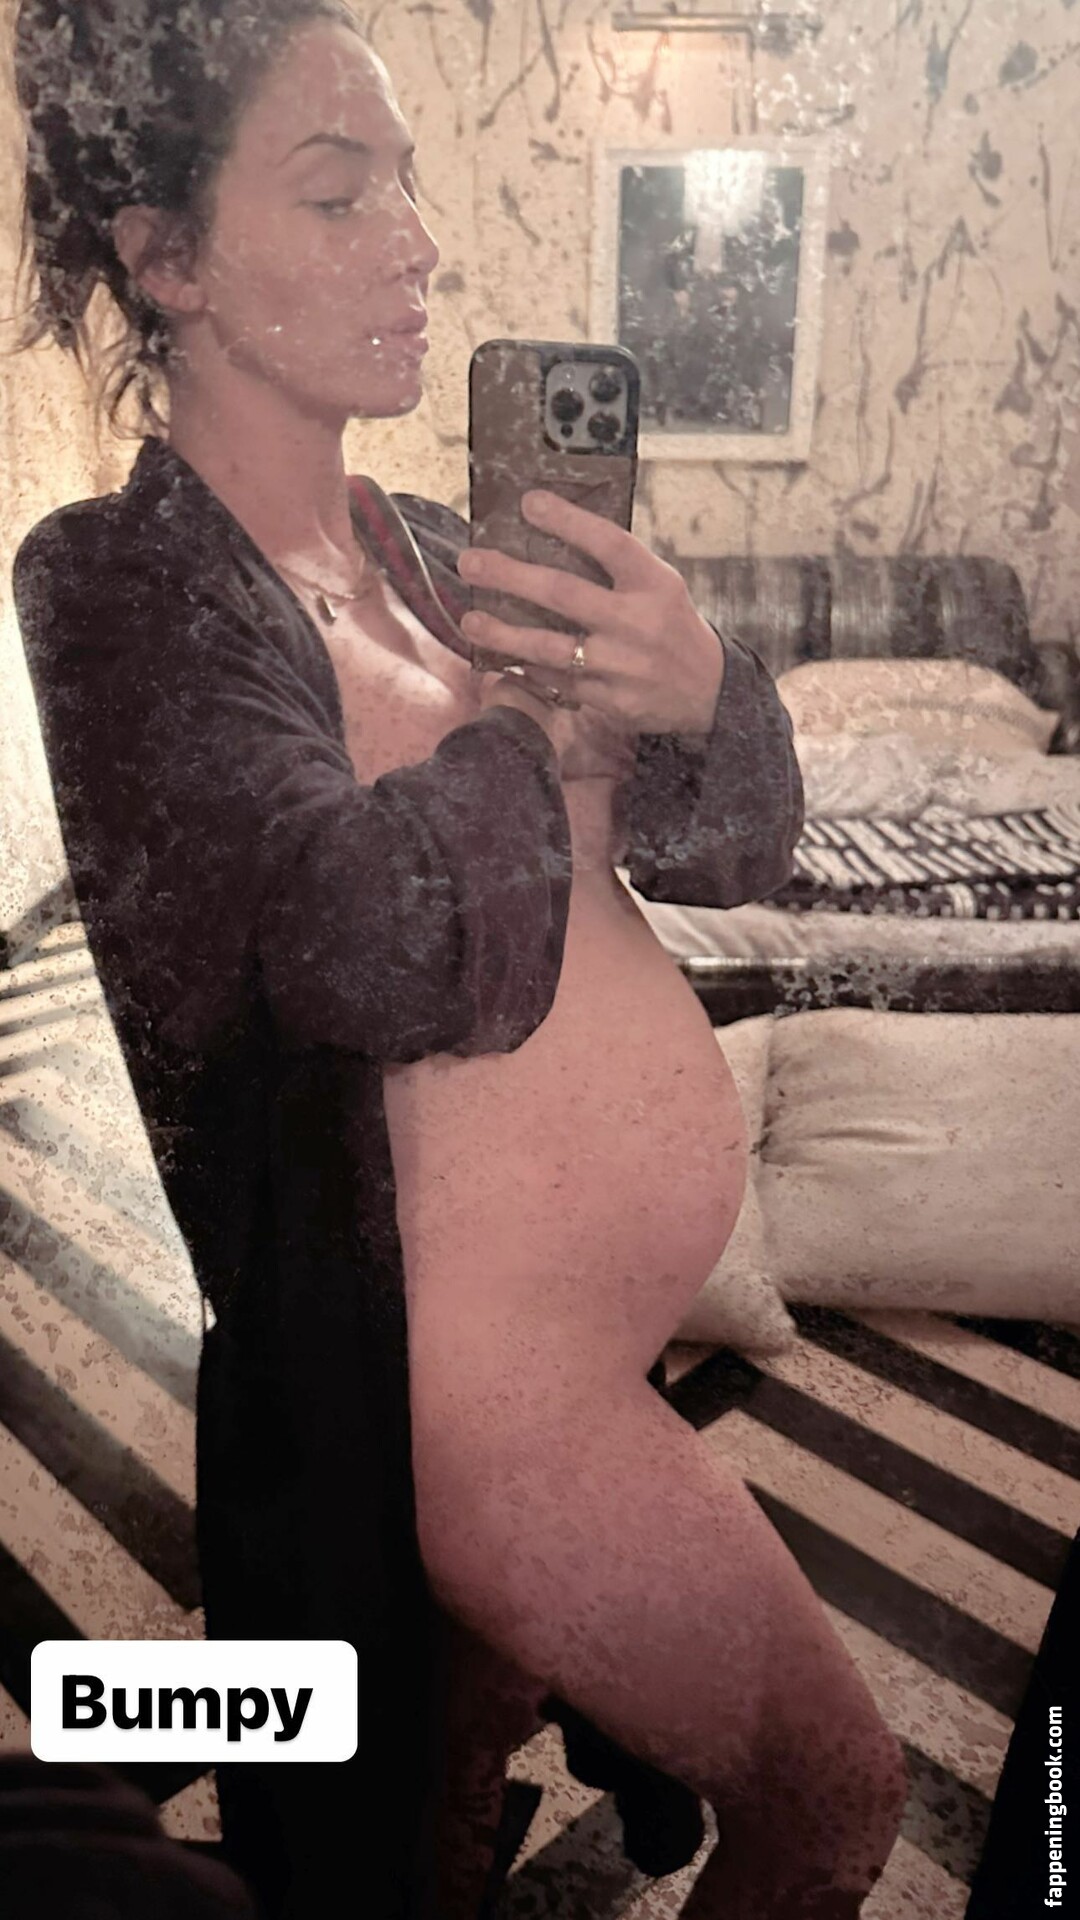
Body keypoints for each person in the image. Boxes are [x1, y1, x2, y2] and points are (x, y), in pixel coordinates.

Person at [8, 5, 905, 1919]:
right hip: (455, 1403)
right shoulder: (117, 586)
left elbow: (738, 851)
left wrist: (701, 693)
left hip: (592, 1345)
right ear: (166, 256)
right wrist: (548, 733)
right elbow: (348, 946)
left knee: (442, 1773)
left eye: (407, 184)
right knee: (839, 1799)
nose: (418, 241)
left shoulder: (434, 549)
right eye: (341, 193)